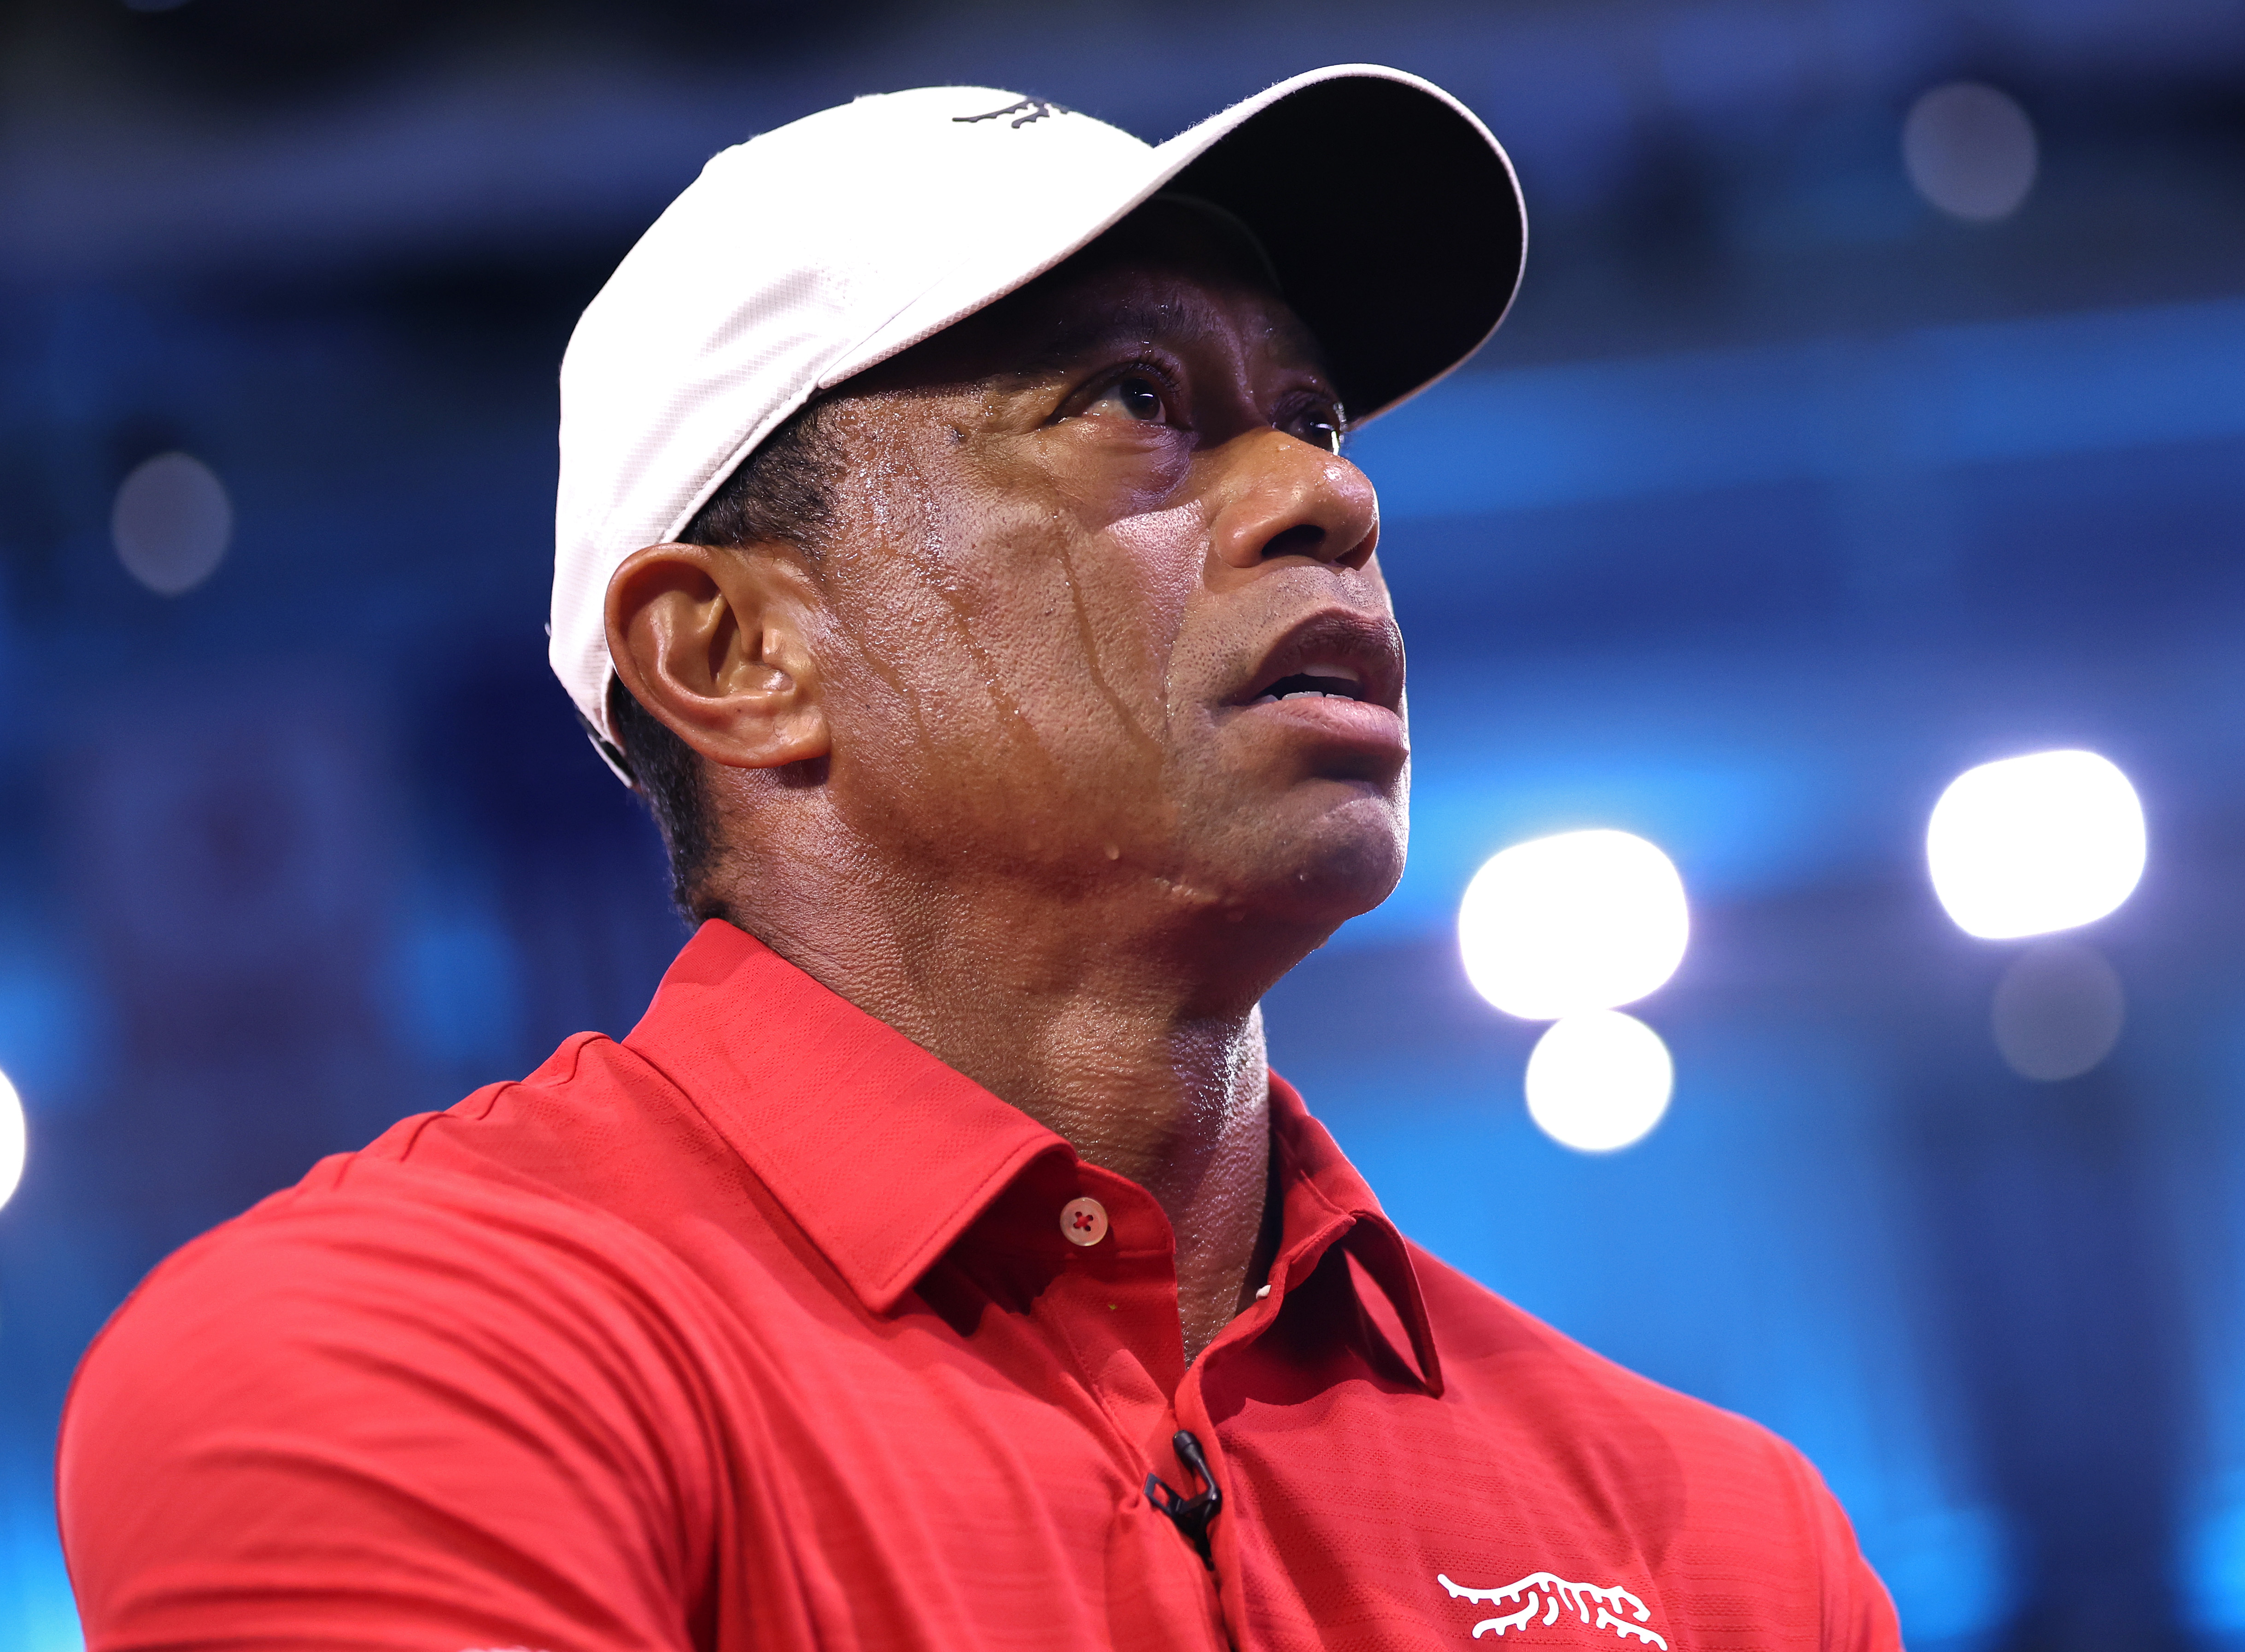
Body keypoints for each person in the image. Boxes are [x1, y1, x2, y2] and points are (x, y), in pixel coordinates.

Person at [58, 68, 1900, 1651]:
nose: (1330, 494)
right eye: (1132, 401)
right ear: (731, 653)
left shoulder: (1712, 1536)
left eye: (1312, 419)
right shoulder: (399, 1365)